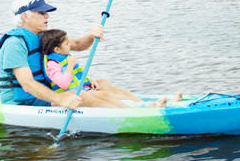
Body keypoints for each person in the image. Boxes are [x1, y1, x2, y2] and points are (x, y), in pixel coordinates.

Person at [0, 0, 125, 109]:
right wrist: (61, 99)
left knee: (102, 84)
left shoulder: (43, 36)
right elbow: (28, 84)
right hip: (22, 101)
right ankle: (127, 115)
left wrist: (92, 36)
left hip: (44, 92)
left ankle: (139, 106)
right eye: (42, 13)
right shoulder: (15, 44)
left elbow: (78, 44)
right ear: (25, 17)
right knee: (81, 95)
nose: (47, 16)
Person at [37, 29, 169, 108]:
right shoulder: (52, 65)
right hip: (70, 94)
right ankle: (131, 111)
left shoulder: (65, 56)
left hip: (82, 87)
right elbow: (64, 84)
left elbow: (77, 77)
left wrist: (89, 80)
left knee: (104, 83)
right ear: (57, 49)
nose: (70, 46)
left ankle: (140, 103)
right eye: (67, 44)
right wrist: (70, 65)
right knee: (104, 95)